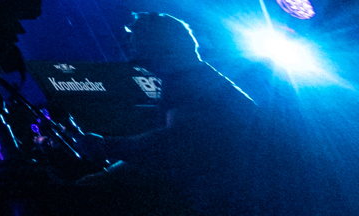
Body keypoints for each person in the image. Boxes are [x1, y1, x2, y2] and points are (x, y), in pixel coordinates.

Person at [81, 12, 258, 209]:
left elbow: (175, 143)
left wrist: (108, 147)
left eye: (136, 39)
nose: (129, 45)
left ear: (159, 44)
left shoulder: (188, 82)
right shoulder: (195, 77)